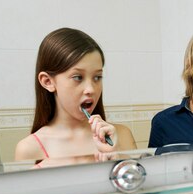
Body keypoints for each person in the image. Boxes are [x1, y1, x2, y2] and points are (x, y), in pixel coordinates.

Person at [15, 28, 136, 167]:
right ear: (47, 81)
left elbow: (139, 185)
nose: (91, 89)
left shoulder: (121, 136)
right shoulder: (29, 149)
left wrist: (119, 158)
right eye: (78, 77)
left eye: (97, 77)